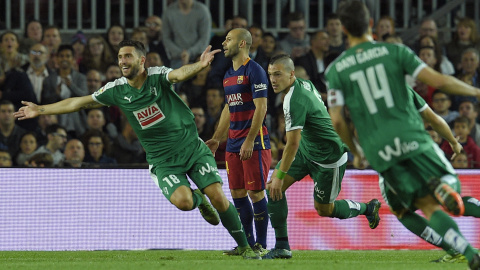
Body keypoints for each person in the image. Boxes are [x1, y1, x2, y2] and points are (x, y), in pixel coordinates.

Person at [14, 39, 260, 259]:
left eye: (128, 56)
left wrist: (199, 65)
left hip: (192, 148)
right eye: (120, 56)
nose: (122, 61)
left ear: (142, 61)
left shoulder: (156, 76)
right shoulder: (117, 89)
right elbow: (78, 102)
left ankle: (245, 247)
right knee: (185, 202)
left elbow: (178, 75)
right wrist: (40, 109)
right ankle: (199, 199)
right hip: (163, 161)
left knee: (219, 196)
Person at [325, 1, 480, 268]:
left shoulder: (336, 70)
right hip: (412, 137)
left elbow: (337, 120)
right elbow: (438, 81)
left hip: (379, 149)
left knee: (414, 209)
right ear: (371, 25)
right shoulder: (395, 52)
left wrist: (358, 152)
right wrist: (475, 92)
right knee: (448, 185)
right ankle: (444, 189)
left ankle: (467, 252)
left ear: (344, 30)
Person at [263, 54, 381, 259]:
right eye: (270, 74)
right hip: (306, 150)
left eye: (278, 74)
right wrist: (279, 177)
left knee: (324, 209)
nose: (273, 79)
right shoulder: (304, 84)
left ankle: (367, 208)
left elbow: (292, 143)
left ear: (291, 74)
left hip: (329, 158)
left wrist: (280, 174)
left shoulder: (294, 99)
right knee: (274, 187)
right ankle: (282, 246)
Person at [206, 28, 271, 256]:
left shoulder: (255, 71)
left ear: (242, 43)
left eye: (228, 39)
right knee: (237, 193)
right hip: (233, 143)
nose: (224, 43)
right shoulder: (228, 74)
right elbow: (228, 108)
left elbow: (261, 107)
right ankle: (247, 245)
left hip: (254, 142)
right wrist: (216, 138)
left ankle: (261, 245)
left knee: (256, 194)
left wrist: (250, 140)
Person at [41, 44, 88, 137]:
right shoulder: (49, 79)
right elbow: (44, 100)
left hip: (77, 123)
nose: (64, 59)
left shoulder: (80, 78)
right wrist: (56, 94)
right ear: (57, 59)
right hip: (56, 121)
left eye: (68, 56)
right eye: (61, 56)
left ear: (73, 59)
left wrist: (71, 86)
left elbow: (85, 98)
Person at [162, 0, 212, 68]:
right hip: (177, 58)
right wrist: (181, 53)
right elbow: (166, 38)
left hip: (199, 56)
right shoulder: (169, 12)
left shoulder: (202, 10)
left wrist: (189, 52)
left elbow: (204, 38)